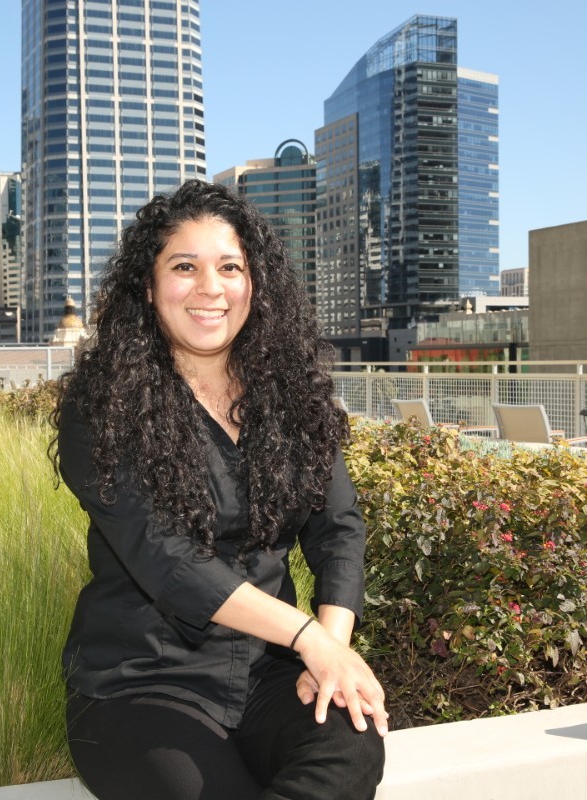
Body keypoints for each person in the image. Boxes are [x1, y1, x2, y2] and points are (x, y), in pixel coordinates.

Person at [53, 180, 387, 800]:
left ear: (253, 284)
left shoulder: (290, 395)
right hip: (142, 685)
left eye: (229, 267)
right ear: (148, 288)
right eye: (185, 266)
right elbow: (171, 563)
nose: (211, 288)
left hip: (269, 675)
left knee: (353, 747)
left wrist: (330, 654)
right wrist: (305, 636)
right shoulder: (101, 406)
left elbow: (337, 527)